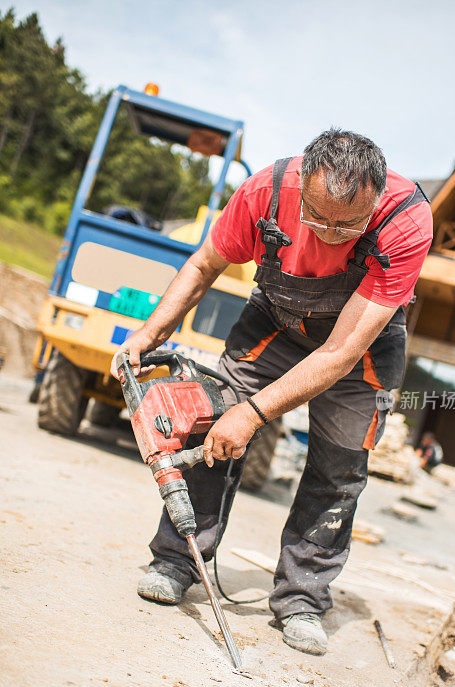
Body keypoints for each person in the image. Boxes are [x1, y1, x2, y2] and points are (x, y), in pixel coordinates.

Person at [111, 129, 433, 655]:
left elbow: (339, 354)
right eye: (317, 217)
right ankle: (177, 560)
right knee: (213, 424)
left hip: (360, 346)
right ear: (301, 184)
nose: (329, 236)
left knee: (340, 467)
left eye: (347, 225)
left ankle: (303, 596)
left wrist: (255, 413)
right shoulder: (265, 190)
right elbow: (203, 265)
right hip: (275, 321)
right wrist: (150, 332)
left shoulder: (406, 219)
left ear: (374, 200)